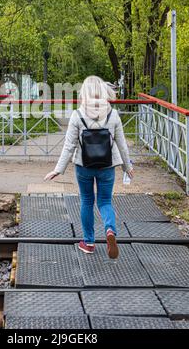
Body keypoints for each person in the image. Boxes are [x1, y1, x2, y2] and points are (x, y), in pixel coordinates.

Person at [44, 75, 134, 259]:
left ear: (83, 92)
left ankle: (89, 243)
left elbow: (69, 146)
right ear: (102, 91)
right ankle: (110, 230)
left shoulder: (77, 115)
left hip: (83, 166)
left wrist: (58, 169)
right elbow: (122, 144)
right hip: (107, 166)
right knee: (105, 201)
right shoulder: (113, 114)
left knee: (86, 201)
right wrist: (127, 166)